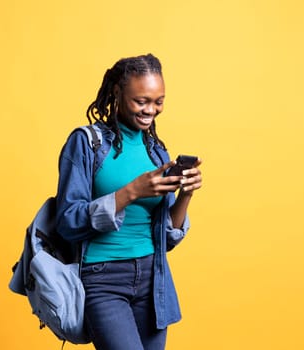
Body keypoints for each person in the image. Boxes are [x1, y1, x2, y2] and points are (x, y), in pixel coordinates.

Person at [54, 54, 202, 350]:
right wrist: (131, 192)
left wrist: (186, 193)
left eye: (158, 101)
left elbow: (168, 237)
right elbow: (67, 222)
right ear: (118, 94)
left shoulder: (157, 151)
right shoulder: (87, 143)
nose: (151, 110)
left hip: (152, 279)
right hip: (103, 278)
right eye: (142, 101)